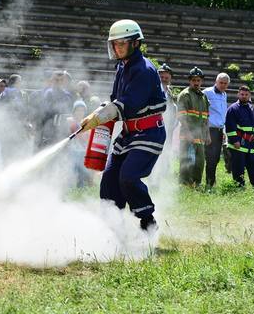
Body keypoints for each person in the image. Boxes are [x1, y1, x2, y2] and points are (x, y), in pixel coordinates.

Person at [79, 19, 166, 232]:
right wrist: (96, 113)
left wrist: (99, 117)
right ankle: (112, 227)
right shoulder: (122, 67)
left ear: (135, 43)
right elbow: (115, 99)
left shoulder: (144, 70)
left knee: (128, 176)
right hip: (128, 135)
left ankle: (148, 221)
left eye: (121, 43)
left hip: (149, 133)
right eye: (114, 44)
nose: (116, 48)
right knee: (109, 179)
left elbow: (129, 104)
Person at [176, 67, 210, 187]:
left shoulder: (203, 96)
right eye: (194, 80)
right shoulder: (185, 95)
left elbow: (206, 118)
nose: (196, 83)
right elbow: (181, 116)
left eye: (198, 80)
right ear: (190, 81)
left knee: (200, 162)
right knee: (187, 161)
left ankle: (196, 184)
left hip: (200, 136)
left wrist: (208, 134)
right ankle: (184, 184)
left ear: (202, 81)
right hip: (187, 135)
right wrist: (188, 133)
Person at [225, 85, 254, 187]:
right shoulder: (233, 109)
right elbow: (230, 126)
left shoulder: (251, 108)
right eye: (242, 94)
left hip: (250, 144)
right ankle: (239, 187)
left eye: (246, 94)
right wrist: (235, 140)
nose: (244, 96)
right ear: (238, 94)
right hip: (238, 144)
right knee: (238, 168)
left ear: (249, 95)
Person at [203, 73, 230, 187]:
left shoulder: (224, 95)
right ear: (216, 81)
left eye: (225, 83)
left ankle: (211, 180)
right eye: (221, 83)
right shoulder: (207, 92)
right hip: (210, 129)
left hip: (220, 130)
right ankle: (210, 183)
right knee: (211, 158)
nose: (223, 85)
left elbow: (222, 114)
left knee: (217, 158)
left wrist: (224, 130)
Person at [38, 70, 73, 147]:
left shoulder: (68, 96)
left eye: (61, 80)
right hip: (49, 132)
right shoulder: (48, 94)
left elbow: (69, 114)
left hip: (62, 132)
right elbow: (44, 113)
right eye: (57, 80)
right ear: (52, 80)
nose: (59, 82)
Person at [157, 63, 177, 133]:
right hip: (155, 126)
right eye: (161, 77)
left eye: (166, 78)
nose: (164, 79)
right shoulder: (153, 90)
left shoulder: (170, 93)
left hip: (168, 127)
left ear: (170, 78)